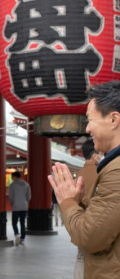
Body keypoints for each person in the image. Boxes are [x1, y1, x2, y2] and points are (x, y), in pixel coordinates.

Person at [48, 80, 120, 279]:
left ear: (114, 120)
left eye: (90, 119)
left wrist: (68, 201)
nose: (87, 129)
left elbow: (90, 237)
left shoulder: (117, 171)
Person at [73, 139, 102, 279]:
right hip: (98, 220)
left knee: (80, 256)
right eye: (101, 153)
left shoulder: (79, 173)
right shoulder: (102, 172)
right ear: (95, 155)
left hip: (81, 220)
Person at [8, 171, 31, 246]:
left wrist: (12, 204)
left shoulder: (12, 185)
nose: (12, 179)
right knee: (22, 223)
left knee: (14, 222)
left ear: (15, 177)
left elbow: (11, 197)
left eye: (12, 177)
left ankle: (17, 234)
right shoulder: (26, 184)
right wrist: (25, 202)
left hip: (16, 206)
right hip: (24, 206)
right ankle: (22, 239)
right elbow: (29, 197)